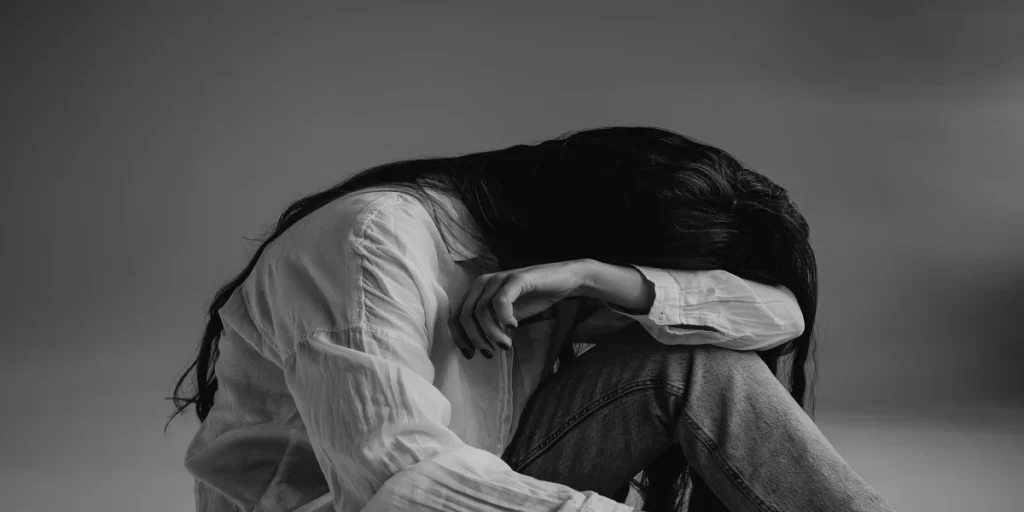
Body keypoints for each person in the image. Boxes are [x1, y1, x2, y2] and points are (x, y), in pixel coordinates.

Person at [170, 127, 894, 512]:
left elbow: (776, 317)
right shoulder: (372, 240)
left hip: (478, 478)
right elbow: (403, 488)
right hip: (379, 501)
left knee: (701, 360)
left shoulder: (543, 255)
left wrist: (603, 278)